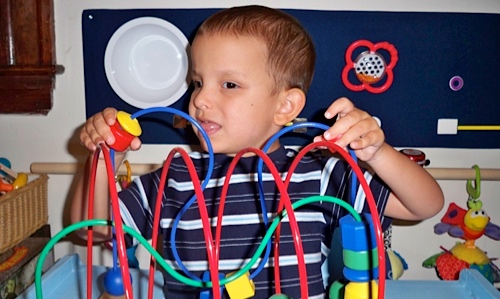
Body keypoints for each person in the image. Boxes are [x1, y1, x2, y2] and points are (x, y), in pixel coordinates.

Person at [71, 5, 444, 299]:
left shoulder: (315, 172)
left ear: (285, 107)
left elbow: (424, 205)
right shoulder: (175, 176)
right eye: (197, 83)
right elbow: (92, 232)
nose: (199, 99)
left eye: (229, 84)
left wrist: (376, 152)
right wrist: (105, 157)